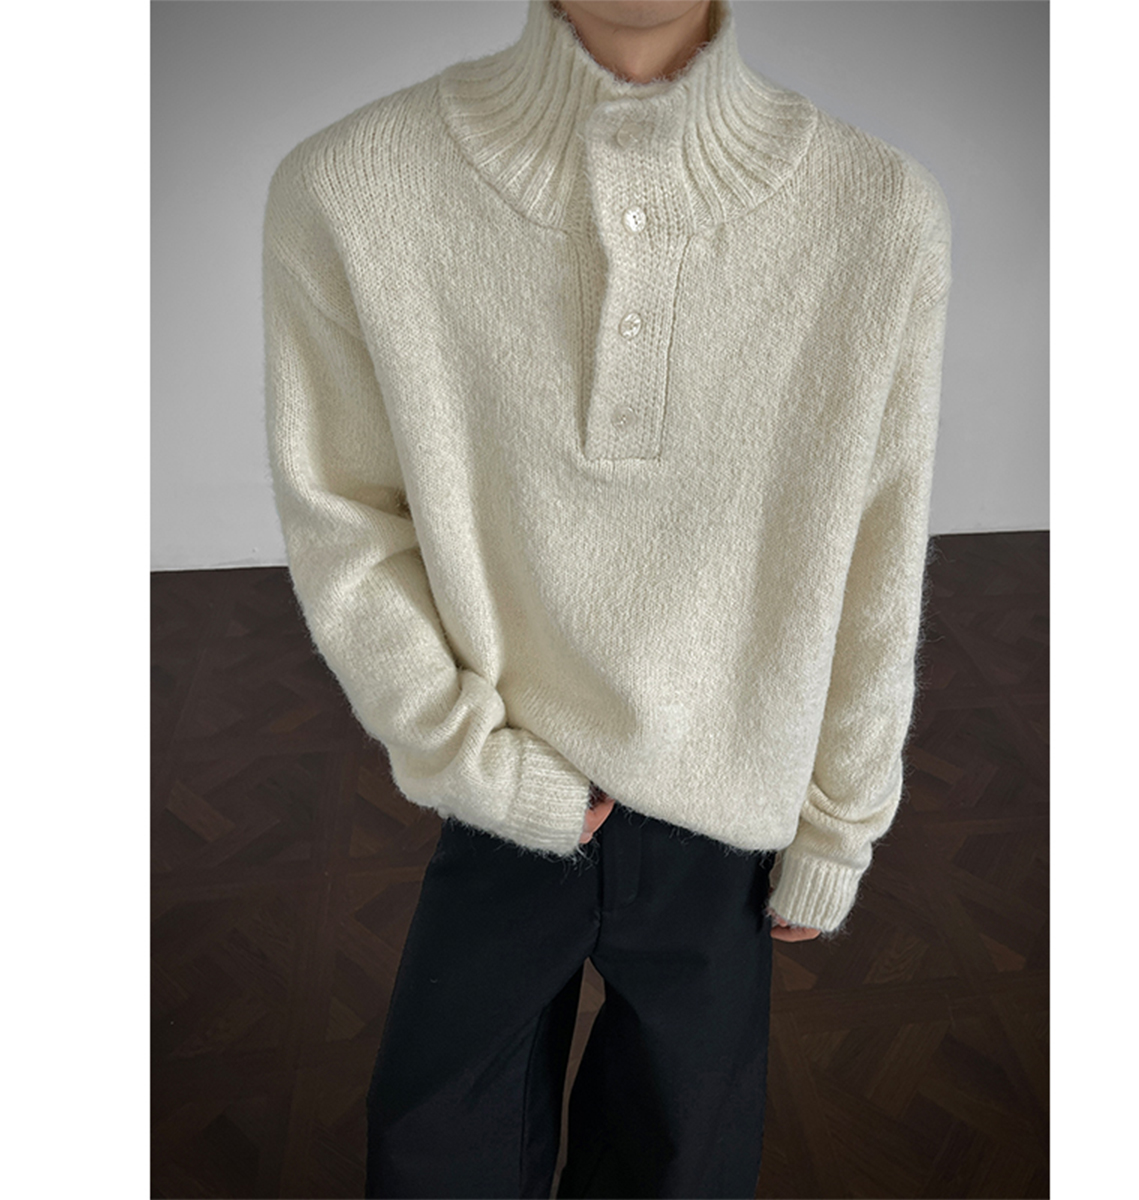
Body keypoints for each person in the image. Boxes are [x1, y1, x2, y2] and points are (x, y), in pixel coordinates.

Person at [262, 0, 952, 1195]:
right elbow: (347, 520)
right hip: (502, 783)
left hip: (729, 809)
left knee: (683, 1162)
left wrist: (840, 820)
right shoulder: (351, 189)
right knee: (433, 1154)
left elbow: (878, 554)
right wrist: (471, 756)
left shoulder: (882, 215)